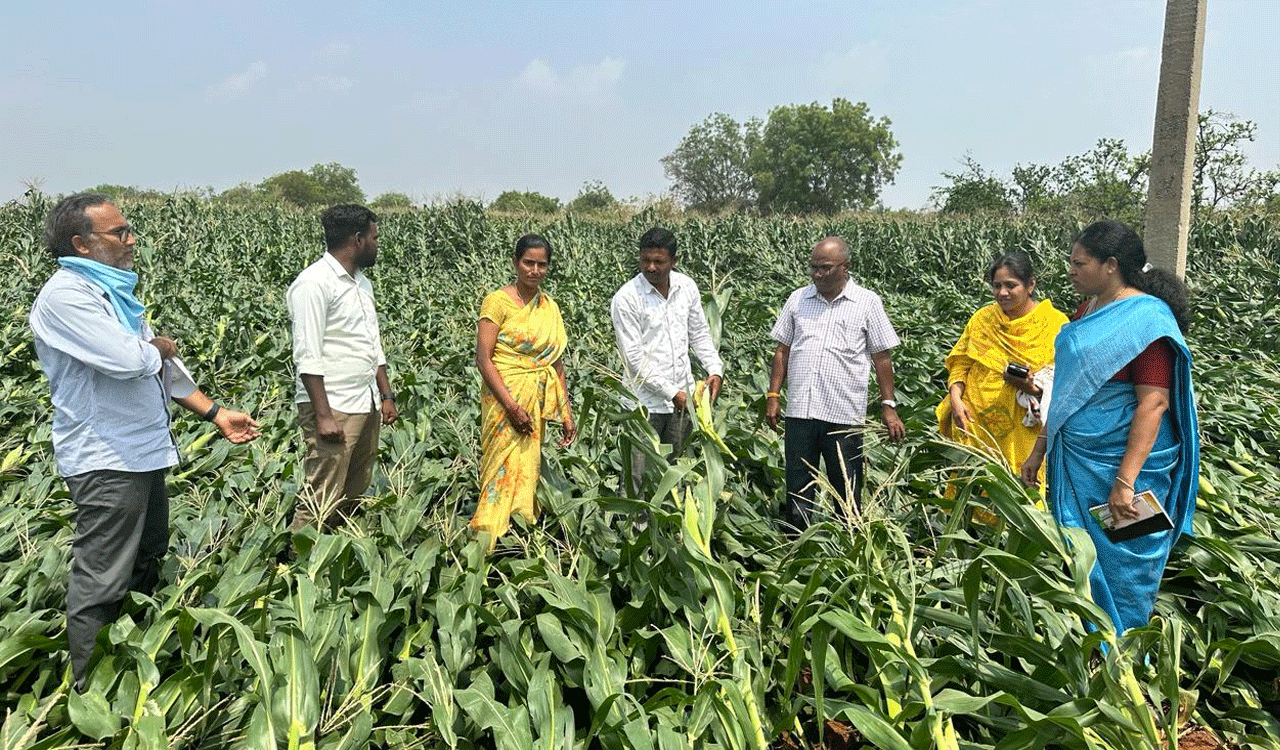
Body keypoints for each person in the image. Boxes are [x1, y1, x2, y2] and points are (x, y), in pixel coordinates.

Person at [29, 193, 261, 686]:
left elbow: (164, 370)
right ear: (82, 243)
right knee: (103, 579)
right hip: (106, 458)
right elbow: (131, 360)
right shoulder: (66, 296)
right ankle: (89, 692)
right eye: (120, 233)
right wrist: (153, 346)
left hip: (141, 453)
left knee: (148, 556)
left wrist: (216, 414)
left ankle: (136, 661)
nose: (132, 239)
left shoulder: (113, 294)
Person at [1020, 220, 1198, 635]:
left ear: (1111, 265)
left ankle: (1126, 654)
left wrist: (1124, 482)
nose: (1070, 270)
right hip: (1078, 460)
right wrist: (1039, 448)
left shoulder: (1148, 321)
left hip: (1125, 468)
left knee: (1127, 560)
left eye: (1079, 263)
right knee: (1082, 558)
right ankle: (1092, 648)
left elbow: (1153, 403)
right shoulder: (1088, 311)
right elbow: (1065, 391)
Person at [766, 236, 905, 529]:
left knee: (847, 488)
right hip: (801, 412)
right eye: (814, 267)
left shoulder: (867, 303)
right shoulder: (798, 299)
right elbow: (782, 350)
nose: (817, 274)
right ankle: (796, 548)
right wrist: (773, 395)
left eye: (825, 268)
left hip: (843, 416)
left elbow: (882, 358)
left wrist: (888, 405)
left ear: (846, 268)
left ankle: (849, 547)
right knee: (798, 488)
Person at [287, 204, 397, 531]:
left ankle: (333, 552)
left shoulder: (362, 283)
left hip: (364, 400)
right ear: (358, 239)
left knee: (354, 487)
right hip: (333, 404)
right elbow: (307, 353)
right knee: (322, 491)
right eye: (375, 238)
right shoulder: (313, 283)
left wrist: (385, 394)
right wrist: (323, 414)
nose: (378, 244)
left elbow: (370, 343)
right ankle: (295, 564)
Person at [936, 251, 1068, 517]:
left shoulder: (1054, 324)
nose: (1003, 293)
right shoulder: (983, 320)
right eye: (997, 286)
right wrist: (956, 399)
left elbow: (1062, 385)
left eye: (1011, 285)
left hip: (1022, 429)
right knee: (971, 489)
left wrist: (1030, 387)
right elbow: (961, 363)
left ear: (1030, 284)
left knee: (1019, 496)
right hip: (975, 424)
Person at [473, 234, 576, 546]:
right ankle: (486, 540)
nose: (535, 270)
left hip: (536, 399)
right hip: (504, 397)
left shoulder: (549, 308)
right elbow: (483, 359)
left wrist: (567, 414)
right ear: (515, 263)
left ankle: (519, 532)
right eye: (528, 262)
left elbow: (555, 364)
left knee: (528, 464)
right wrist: (511, 407)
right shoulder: (497, 302)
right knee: (500, 466)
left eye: (541, 264)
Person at [610, 227, 723, 490]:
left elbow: (699, 334)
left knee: (674, 471)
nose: (650, 267)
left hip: (682, 401)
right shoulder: (626, 298)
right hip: (643, 404)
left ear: (674, 260)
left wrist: (715, 370)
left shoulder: (687, 287)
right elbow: (633, 358)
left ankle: (670, 527)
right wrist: (674, 393)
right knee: (636, 474)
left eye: (658, 262)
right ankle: (635, 526)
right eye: (645, 260)